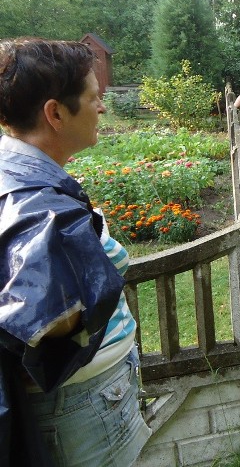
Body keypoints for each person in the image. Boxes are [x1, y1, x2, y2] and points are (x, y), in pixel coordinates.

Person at [0, 38, 150, 465]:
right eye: (93, 98)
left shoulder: (18, 174)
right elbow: (48, 321)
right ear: (55, 113)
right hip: (84, 408)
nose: (101, 107)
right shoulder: (40, 208)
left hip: (83, 401)